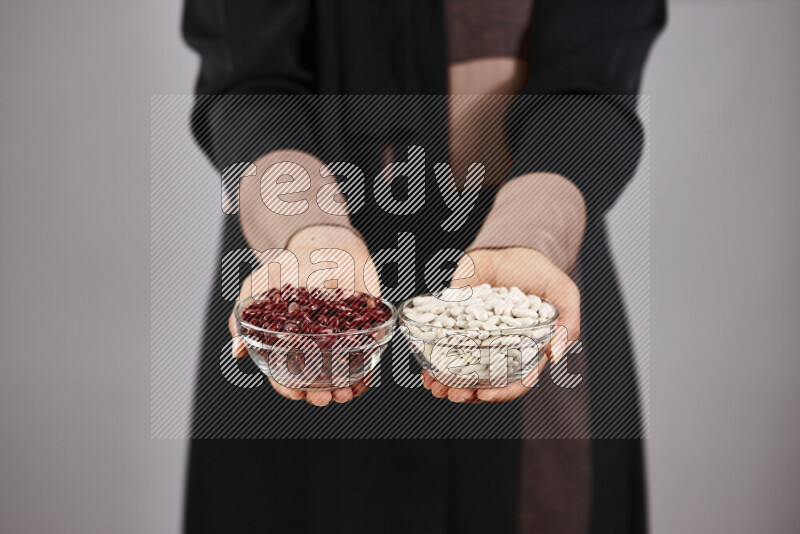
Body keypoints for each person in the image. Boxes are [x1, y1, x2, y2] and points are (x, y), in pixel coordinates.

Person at [182, 1, 665, 532]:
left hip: (532, 274)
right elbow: (248, 81)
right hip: (298, 282)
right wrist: (305, 231)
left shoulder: (531, 260)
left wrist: (533, 233)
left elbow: (592, 85)